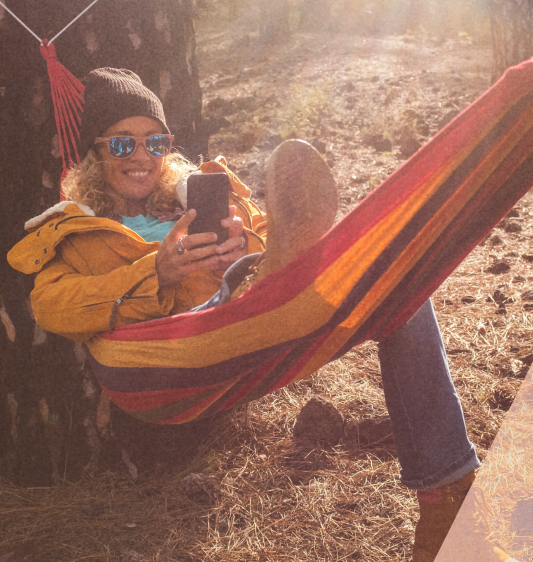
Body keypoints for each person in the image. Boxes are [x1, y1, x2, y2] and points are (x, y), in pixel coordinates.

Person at [7, 68, 480, 562]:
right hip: (160, 357)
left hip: (244, 328)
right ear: (95, 154)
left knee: (400, 288)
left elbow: (253, 230)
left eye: (155, 141)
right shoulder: (76, 231)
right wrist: (155, 273)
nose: (143, 157)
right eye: (122, 145)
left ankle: (449, 491)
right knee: (252, 289)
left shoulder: (197, 197)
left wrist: (242, 242)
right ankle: (275, 276)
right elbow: (50, 304)